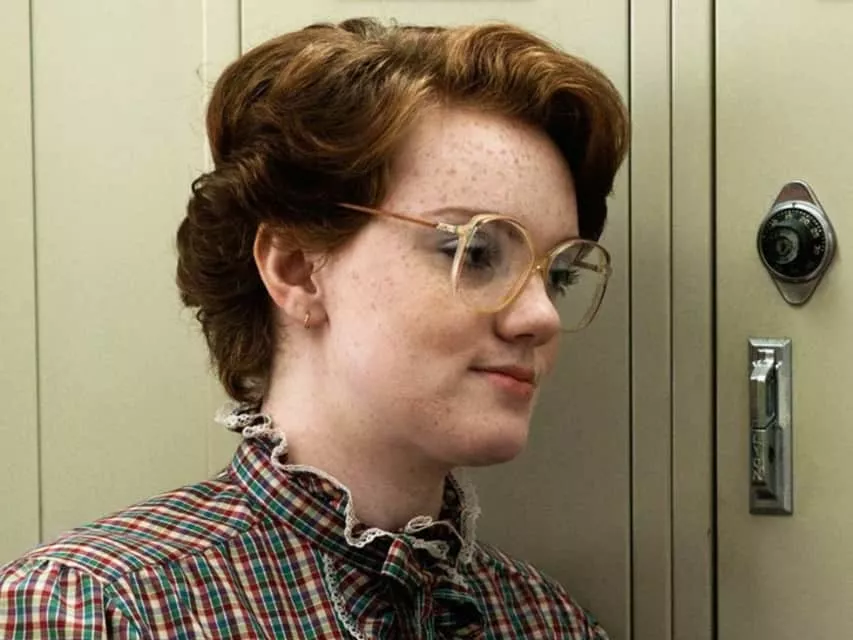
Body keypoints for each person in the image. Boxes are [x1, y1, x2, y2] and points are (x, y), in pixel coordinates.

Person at [0, 17, 628, 639]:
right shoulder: (94, 610)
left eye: (558, 275)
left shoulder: (547, 622)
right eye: (477, 252)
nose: (542, 315)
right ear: (297, 269)